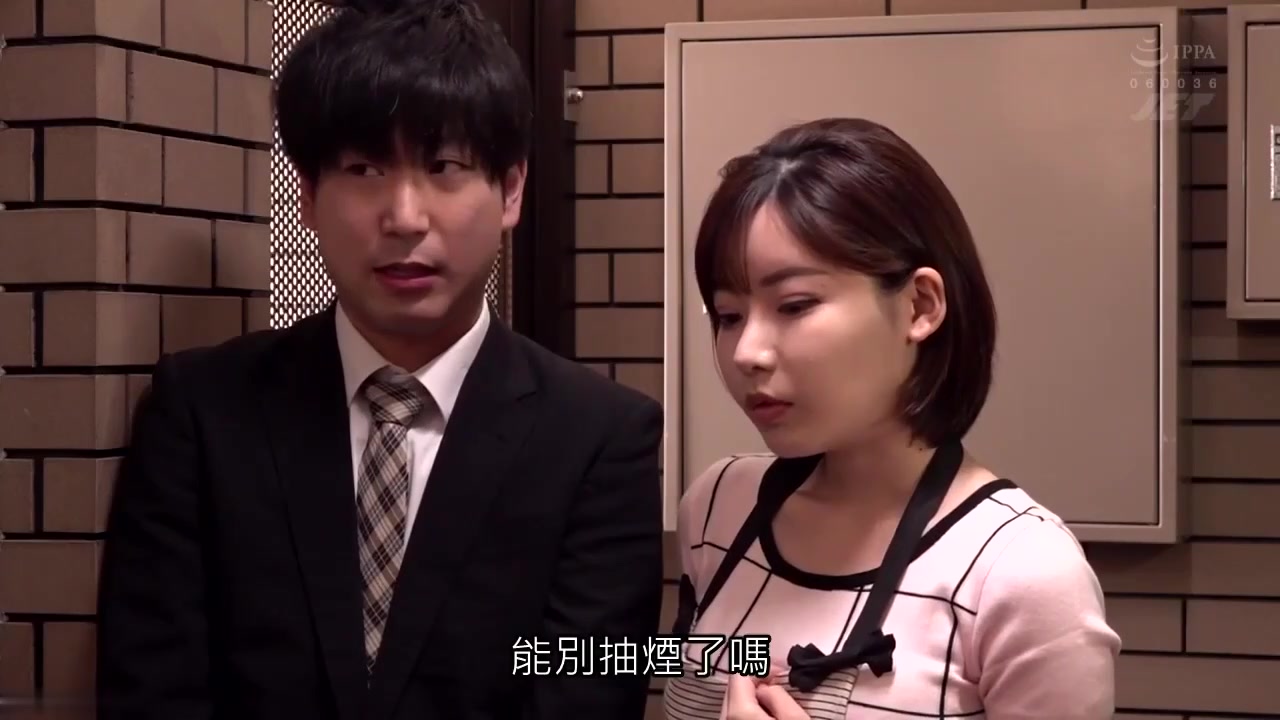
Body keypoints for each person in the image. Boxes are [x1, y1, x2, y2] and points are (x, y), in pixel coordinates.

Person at [94, 1, 664, 718]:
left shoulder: (600, 439)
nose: (404, 217)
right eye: (364, 168)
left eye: (445, 167)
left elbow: (586, 694)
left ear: (511, 189)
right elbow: (151, 689)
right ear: (307, 195)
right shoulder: (201, 412)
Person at [664, 117, 1120, 720]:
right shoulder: (718, 506)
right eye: (729, 316)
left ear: (919, 306)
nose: (747, 352)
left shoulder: (1021, 572)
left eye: (794, 305)